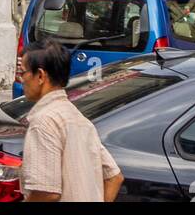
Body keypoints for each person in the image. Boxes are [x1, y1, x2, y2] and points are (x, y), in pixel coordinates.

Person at [18, 41, 124, 203]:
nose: (21, 79)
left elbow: (47, 192)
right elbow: (114, 178)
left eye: (23, 73)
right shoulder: (78, 119)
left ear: (40, 76)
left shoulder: (43, 122)